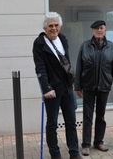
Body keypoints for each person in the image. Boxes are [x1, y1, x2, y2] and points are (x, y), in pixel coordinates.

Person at [32, 12, 82, 159]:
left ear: (59, 26)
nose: (54, 28)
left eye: (56, 25)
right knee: (52, 124)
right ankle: (55, 155)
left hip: (67, 88)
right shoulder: (39, 43)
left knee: (71, 122)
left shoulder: (63, 38)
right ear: (45, 28)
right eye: (50, 26)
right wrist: (46, 88)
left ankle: (74, 153)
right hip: (52, 90)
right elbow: (40, 67)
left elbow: (66, 62)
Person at [74, 20, 113, 156]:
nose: (99, 30)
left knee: (101, 115)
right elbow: (79, 67)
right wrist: (77, 86)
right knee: (87, 116)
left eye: (101, 28)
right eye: (96, 29)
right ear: (92, 31)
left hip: (104, 86)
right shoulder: (85, 46)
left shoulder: (111, 47)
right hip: (88, 86)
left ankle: (99, 141)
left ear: (105, 30)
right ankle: (86, 144)